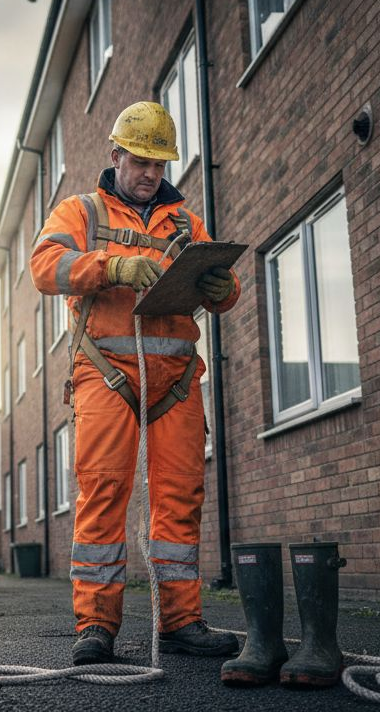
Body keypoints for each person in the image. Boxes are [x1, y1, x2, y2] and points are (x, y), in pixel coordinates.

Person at [30, 101, 240, 665]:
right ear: (116, 154)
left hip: (174, 379)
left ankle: (181, 622)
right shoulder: (82, 212)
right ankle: (94, 627)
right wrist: (112, 267)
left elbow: (224, 288)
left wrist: (223, 289)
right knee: (103, 493)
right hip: (106, 374)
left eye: (159, 164)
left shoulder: (184, 223)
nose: (151, 173)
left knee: (180, 500)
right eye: (141, 161)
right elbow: (44, 266)